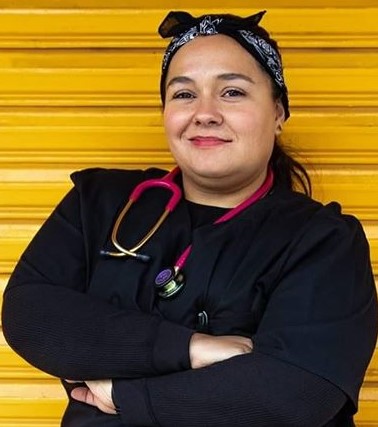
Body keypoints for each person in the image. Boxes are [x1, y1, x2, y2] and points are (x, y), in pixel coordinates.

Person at [2, 9, 377, 427]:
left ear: (278, 113)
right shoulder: (99, 203)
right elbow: (31, 314)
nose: (205, 112)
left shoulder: (323, 240)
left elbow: (296, 393)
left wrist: (125, 393)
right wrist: (192, 348)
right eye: (183, 94)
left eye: (232, 92)